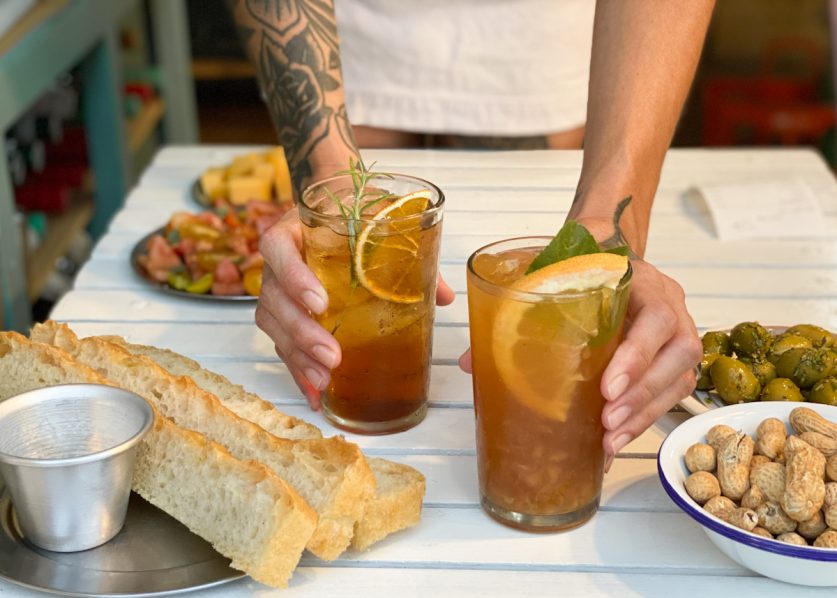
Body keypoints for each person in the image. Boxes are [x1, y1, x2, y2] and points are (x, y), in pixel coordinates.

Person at [227, 0, 712, 469]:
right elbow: (333, 195)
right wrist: (326, 185)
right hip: (353, 45)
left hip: (538, 47)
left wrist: (608, 231)